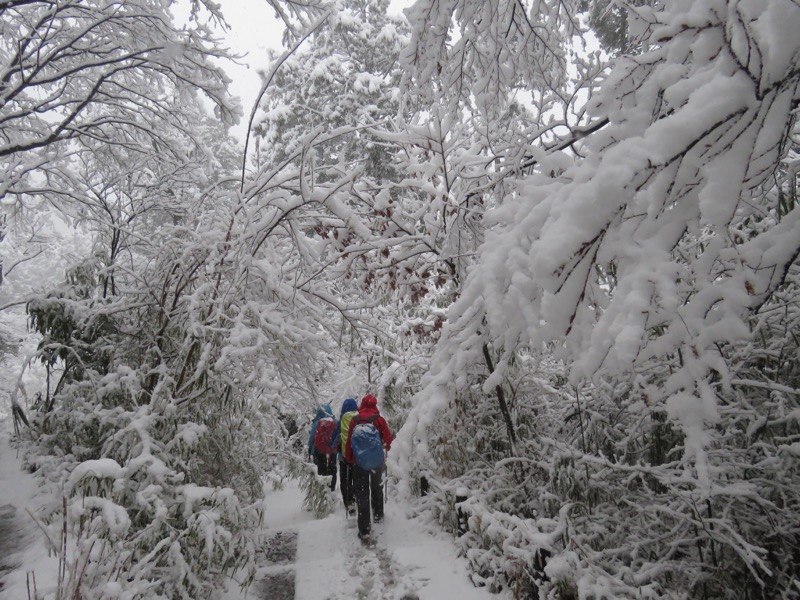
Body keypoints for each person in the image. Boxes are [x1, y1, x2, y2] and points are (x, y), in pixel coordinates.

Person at [345, 394, 392, 541]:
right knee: (377, 487)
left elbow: (349, 443)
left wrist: (350, 458)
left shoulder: (355, 420)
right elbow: (388, 440)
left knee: (362, 492)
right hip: (376, 462)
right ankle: (378, 514)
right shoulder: (378, 419)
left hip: (359, 463)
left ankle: (364, 528)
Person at [330, 398, 359, 516]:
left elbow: (335, 439)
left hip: (343, 455)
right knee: (355, 477)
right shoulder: (359, 418)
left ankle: (348, 501)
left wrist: (332, 446)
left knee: (344, 479)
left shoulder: (341, 420)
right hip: (356, 455)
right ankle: (355, 498)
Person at [308, 403, 337, 491]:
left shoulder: (317, 423)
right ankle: (331, 488)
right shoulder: (334, 422)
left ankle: (322, 490)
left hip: (319, 450)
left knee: (321, 469)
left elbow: (312, 437)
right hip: (332, 450)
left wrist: (310, 449)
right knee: (332, 468)